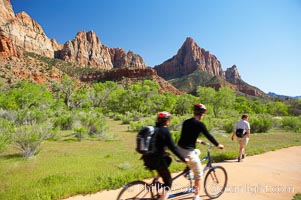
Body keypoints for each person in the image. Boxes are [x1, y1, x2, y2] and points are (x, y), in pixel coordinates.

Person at [177, 104, 224, 200]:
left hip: (179, 150)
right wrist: (217, 145)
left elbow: (185, 136)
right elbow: (208, 136)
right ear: (201, 114)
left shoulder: (186, 122)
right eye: (204, 113)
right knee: (199, 175)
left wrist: (196, 140)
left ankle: (187, 171)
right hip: (188, 153)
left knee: (197, 151)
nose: (204, 115)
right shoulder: (200, 124)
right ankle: (196, 196)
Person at [142, 111, 188, 200]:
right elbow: (173, 148)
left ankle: (156, 179)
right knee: (168, 182)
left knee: (168, 159)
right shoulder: (165, 131)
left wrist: (163, 152)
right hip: (157, 160)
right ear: (167, 121)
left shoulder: (155, 129)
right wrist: (183, 159)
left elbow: (155, 145)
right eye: (169, 119)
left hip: (147, 158)